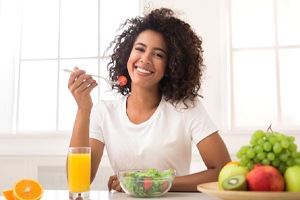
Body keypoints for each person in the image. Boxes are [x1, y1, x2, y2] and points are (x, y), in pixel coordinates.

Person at [67, 7, 231, 192]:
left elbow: (223, 171)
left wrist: (152, 183)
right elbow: (79, 180)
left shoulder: (186, 108)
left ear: (171, 65)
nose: (145, 59)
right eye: (140, 49)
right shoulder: (104, 112)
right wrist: (83, 109)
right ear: (128, 54)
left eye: (158, 54)